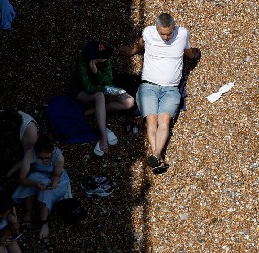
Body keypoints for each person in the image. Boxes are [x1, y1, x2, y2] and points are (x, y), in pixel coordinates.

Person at [120, 13, 200, 175]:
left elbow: (188, 52)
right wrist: (131, 52)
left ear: (174, 28)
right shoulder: (148, 32)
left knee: (165, 119)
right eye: (162, 33)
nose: (166, 37)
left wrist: (194, 55)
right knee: (151, 120)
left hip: (171, 88)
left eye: (169, 33)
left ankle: (156, 154)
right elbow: (141, 44)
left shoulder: (182, 34)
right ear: (156, 29)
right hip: (148, 86)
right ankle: (158, 156)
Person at [74, 39, 134, 157]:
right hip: (83, 93)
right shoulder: (82, 63)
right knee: (100, 96)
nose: (107, 58)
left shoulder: (106, 59)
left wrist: (97, 73)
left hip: (104, 88)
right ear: (95, 59)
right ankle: (102, 135)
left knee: (129, 101)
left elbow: (109, 80)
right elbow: (88, 88)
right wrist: (106, 91)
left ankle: (96, 110)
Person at [12, 135, 70, 239]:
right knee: (32, 179)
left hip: (52, 177)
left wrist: (54, 183)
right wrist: (34, 184)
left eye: (47, 158)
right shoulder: (30, 154)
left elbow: (57, 174)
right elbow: (22, 178)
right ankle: (28, 212)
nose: (43, 160)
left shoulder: (58, 157)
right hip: (37, 175)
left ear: (52, 152)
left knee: (45, 191)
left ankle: (44, 222)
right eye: (40, 157)